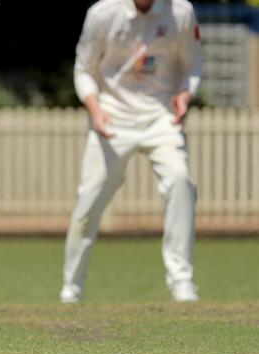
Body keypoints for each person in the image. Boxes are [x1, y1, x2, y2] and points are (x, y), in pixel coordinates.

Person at [61, 0, 204, 304]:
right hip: (112, 116)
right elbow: (83, 70)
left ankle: (182, 282)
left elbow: (193, 66)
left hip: (161, 116)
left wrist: (185, 94)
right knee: (90, 198)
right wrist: (96, 110)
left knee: (180, 182)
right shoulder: (103, 13)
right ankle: (72, 286)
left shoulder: (181, 11)